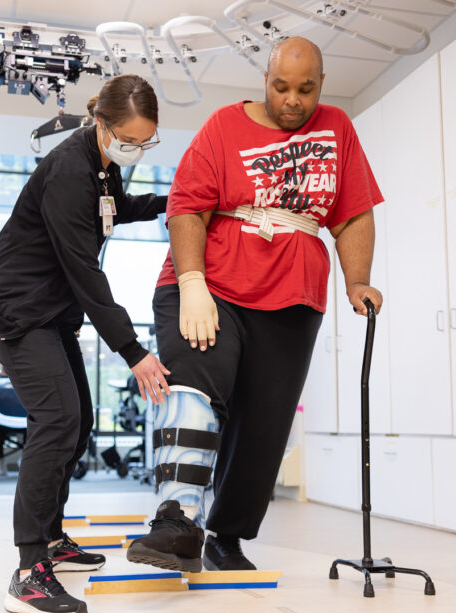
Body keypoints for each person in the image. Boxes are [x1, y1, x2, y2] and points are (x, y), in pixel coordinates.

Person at [127, 37, 384, 573]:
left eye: (305, 89)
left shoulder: (337, 129)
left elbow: (352, 213)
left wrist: (357, 280)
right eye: (281, 86)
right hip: (209, 284)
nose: (292, 100)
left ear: (321, 85)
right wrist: (193, 283)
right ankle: (176, 521)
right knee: (195, 391)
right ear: (264, 79)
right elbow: (185, 208)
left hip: (292, 294)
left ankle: (226, 535)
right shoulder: (224, 126)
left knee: (265, 424)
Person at [0, 73, 171, 613]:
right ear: (102, 124)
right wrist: (133, 351)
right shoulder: (68, 170)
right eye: (129, 139)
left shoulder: (101, 165)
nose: (135, 149)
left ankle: (53, 538)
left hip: (51, 309)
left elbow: (114, 208)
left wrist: (167, 202)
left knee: (78, 420)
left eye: (146, 142)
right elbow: (85, 272)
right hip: (15, 305)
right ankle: (29, 571)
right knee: (56, 419)